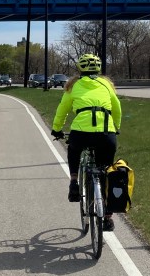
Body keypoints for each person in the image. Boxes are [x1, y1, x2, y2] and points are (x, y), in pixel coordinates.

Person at [50, 53, 122, 232]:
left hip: (81, 133)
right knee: (106, 170)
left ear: (80, 69)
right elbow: (117, 107)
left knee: (73, 150)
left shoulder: (72, 85)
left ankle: (74, 180)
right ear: (98, 69)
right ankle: (107, 217)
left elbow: (62, 110)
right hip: (106, 133)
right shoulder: (106, 84)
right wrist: (116, 127)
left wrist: (57, 129)